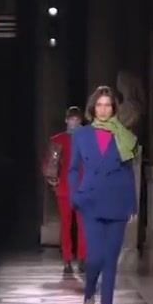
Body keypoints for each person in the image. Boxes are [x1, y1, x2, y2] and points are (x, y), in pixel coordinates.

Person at [69, 86, 138, 304]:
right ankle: (89, 297)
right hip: (91, 201)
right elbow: (73, 168)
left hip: (117, 202)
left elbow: (129, 173)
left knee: (110, 262)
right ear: (93, 108)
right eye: (99, 105)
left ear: (114, 109)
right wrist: (75, 195)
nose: (103, 109)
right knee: (95, 257)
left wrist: (132, 205)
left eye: (108, 105)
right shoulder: (82, 135)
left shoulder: (124, 136)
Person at [45, 106, 86, 275]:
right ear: (66, 120)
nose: (74, 123)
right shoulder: (58, 140)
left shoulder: (88, 140)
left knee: (83, 226)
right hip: (65, 189)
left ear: (80, 121)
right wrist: (53, 180)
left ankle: (82, 259)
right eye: (71, 119)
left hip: (83, 188)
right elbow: (51, 164)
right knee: (66, 224)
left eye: (77, 120)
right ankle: (67, 260)